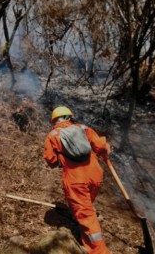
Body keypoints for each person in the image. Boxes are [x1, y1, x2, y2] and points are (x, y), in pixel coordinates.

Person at [43, 106, 111, 254]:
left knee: (86, 215)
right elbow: (101, 146)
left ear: (54, 120)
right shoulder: (83, 128)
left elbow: (51, 160)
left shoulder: (53, 135)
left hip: (76, 180)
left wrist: (61, 158)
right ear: (69, 117)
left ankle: (98, 251)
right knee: (86, 204)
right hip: (95, 175)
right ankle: (83, 219)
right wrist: (106, 146)